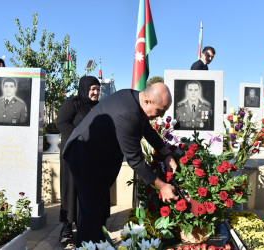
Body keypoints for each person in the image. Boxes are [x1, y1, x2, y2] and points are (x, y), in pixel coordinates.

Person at [62, 82, 179, 247]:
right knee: (91, 211)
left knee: (98, 209)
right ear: (147, 102)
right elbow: (135, 160)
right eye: (160, 111)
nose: (161, 116)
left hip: (96, 157)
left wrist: (166, 153)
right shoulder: (127, 113)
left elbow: (147, 129)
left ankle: (97, 243)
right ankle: (87, 245)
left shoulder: (135, 99)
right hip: (84, 155)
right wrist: (162, 186)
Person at [55, 76, 101, 243]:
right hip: (72, 154)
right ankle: (67, 226)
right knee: (70, 188)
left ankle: (84, 224)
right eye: (92, 89)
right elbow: (61, 123)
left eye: (98, 89)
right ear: (84, 88)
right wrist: (80, 135)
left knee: (87, 191)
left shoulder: (99, 107)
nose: (95, 92)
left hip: (91, 156)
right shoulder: (73, 103)